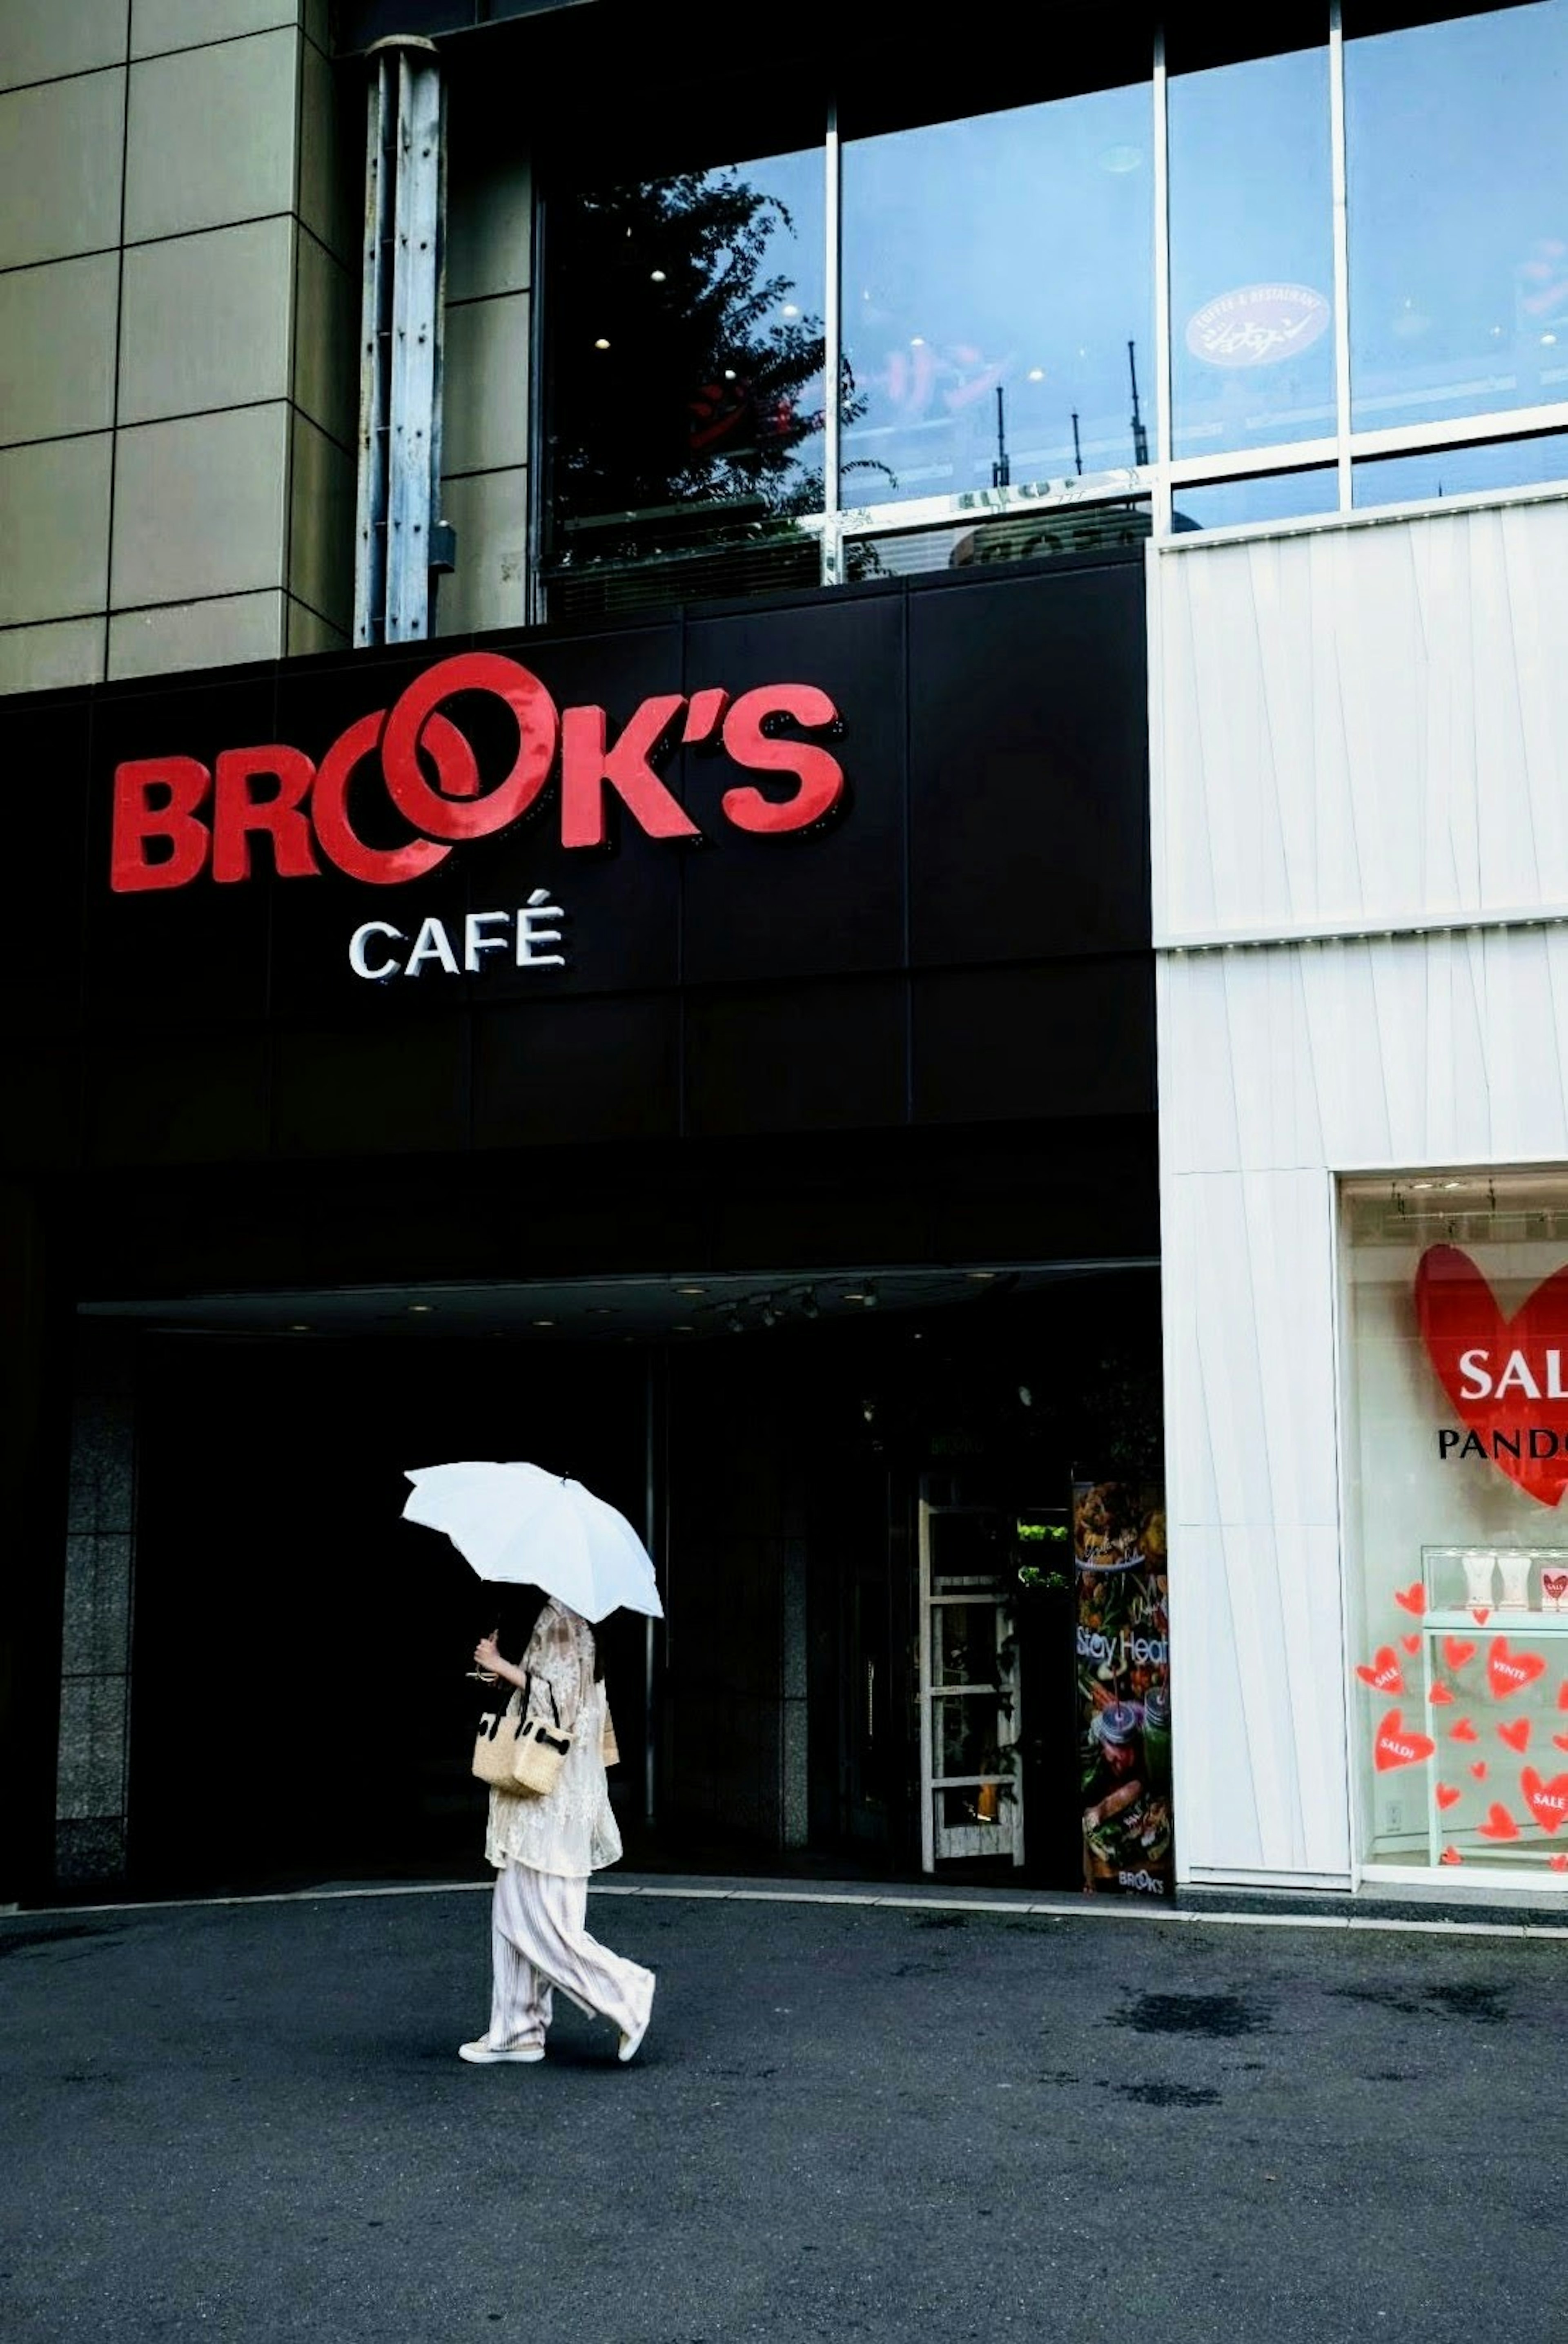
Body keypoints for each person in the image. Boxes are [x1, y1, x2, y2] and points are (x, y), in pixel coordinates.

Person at [461, 1588, 655, 2067]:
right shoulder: (569, 1618)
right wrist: (504, 1667)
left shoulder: (561, 1620)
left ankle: (627, 1993)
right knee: (522, 1909)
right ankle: (516, 2030)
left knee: (531, 1916)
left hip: (551, 1796)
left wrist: (502, 1664)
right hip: (561, 1796)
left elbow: (558, 1706)